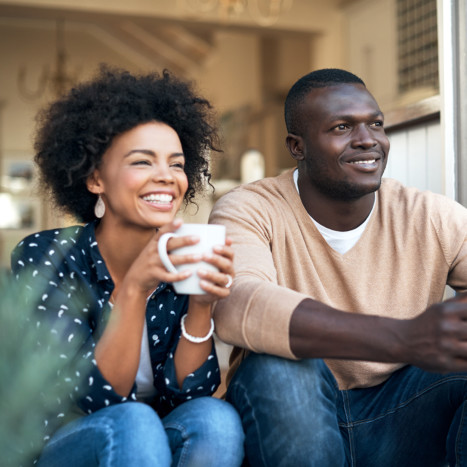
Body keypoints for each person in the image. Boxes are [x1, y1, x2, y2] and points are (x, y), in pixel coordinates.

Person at [209, 68, 467, 466]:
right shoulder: (250, 208)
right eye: (342, 127)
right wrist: (403, 337)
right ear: (298, 146)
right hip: (294, 411)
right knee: (279, 368)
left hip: (405, 411)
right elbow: (238, 305)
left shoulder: (431, 215)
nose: (368, 140)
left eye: (376, 124)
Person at [11, 66, 244, 467]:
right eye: (143, 162)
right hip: (64, 445)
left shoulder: (178, 258)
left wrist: (201, 304)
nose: (166, 177)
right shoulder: (46, 257)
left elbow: (189, 395)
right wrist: (135, 288)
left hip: (146, 442)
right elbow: (95, 399)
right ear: (95, 178)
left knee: (216, 419)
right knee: (133, 422)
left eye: (176, 164)